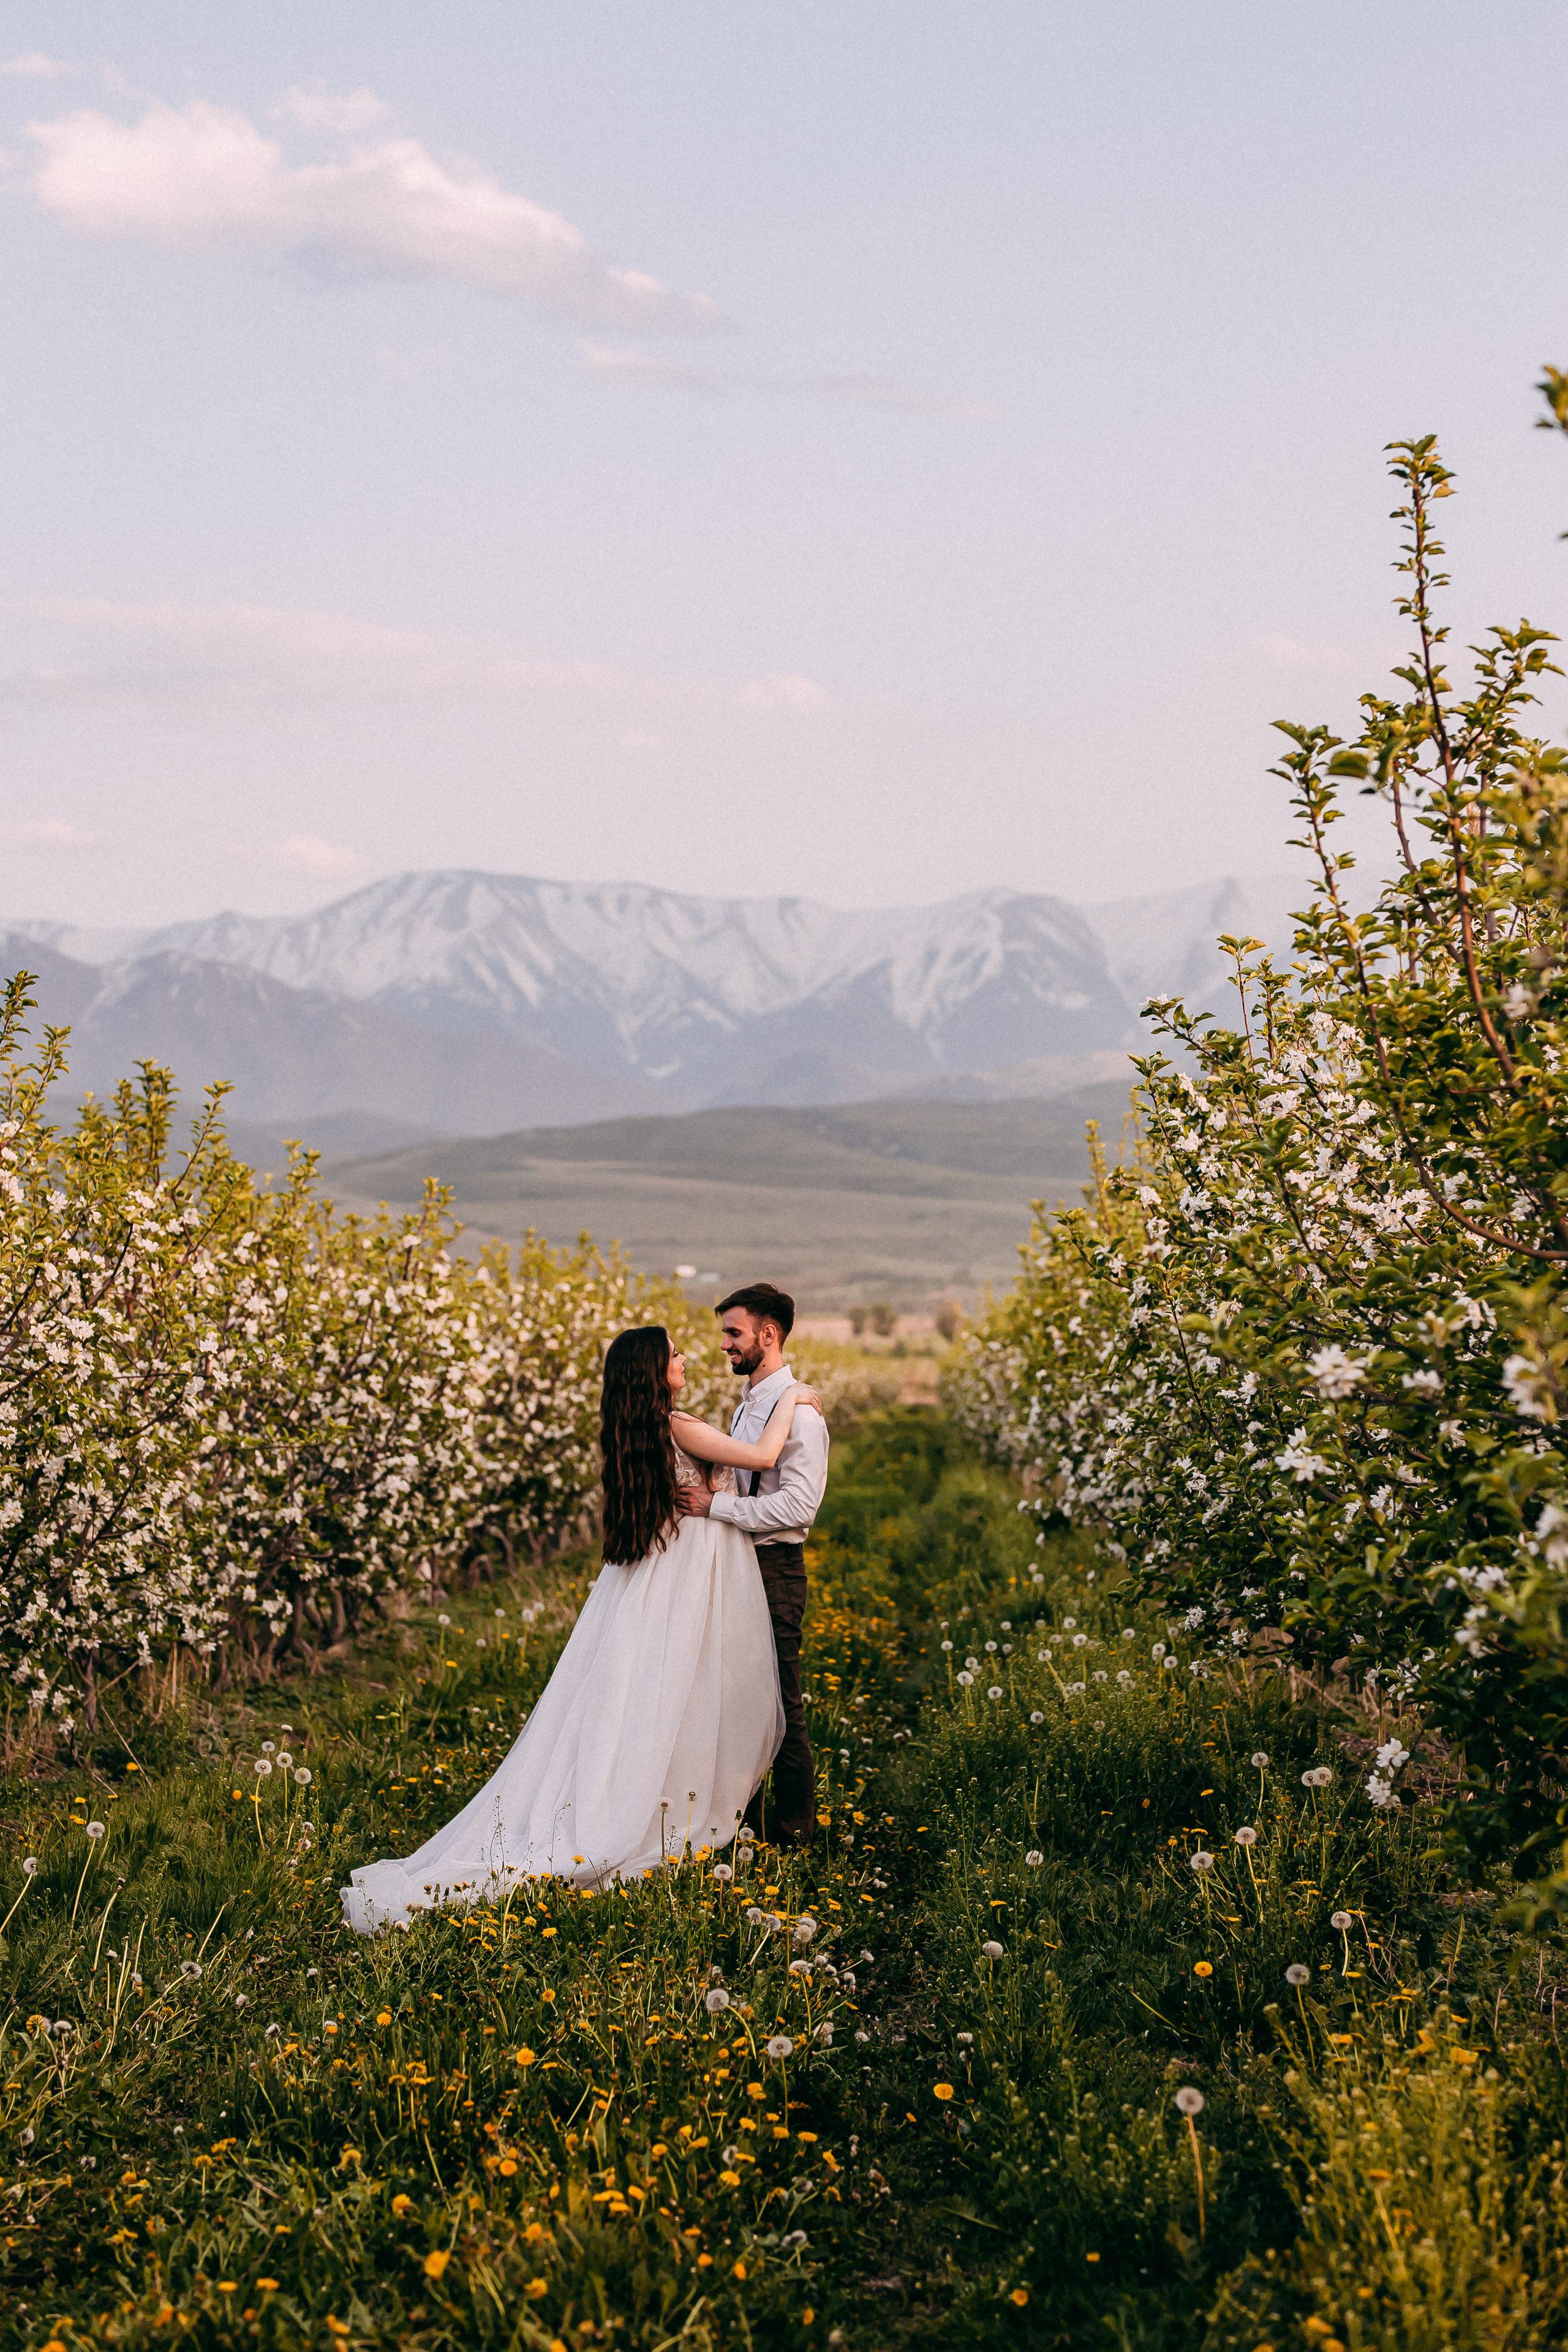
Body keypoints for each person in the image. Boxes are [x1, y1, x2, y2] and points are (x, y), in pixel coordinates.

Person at [340, 1325, 822, 1931]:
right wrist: (793, 1400)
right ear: (652, 1370)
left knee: (646, 1690)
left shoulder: (638, 1433)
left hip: (665, 1571)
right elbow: (761, 1458)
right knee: (692, 1689)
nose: (683, 1359)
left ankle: (665, 1791)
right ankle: (685, 1803)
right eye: (672, 1354)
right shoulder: (676, 1425)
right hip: (697, 1570)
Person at [676, 1282, 827, 1849]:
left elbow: (797, 1505)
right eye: (725, 1333)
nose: (724, 1345)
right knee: (741, 1700)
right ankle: (748, 1824)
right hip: (741, 1569)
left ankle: (792, 1836)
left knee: (782, 1704)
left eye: (734, 1333)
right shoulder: (753, 1409)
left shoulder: (802, 1416)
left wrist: (714, 1506)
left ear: (769, 1334)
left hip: (774, 1569)